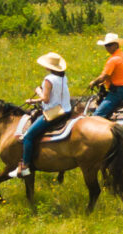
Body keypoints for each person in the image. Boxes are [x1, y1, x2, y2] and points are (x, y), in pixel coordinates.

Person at [7, 51, 74, 180]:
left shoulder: (48, 79)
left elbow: (46, 99)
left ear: (49, 67)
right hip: (66, 110)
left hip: (54, 113)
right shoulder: (63, 77)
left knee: (28, 136)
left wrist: (36, 95)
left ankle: (25, 166)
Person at [89, 33, 123, 120]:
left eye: (110, 45)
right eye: (106, 45)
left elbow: (104, 76)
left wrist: (94, 82)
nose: (107, 47)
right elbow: (117, 74)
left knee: (96, 116)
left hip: (118, 92)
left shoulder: (113, 60)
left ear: (116, 45)